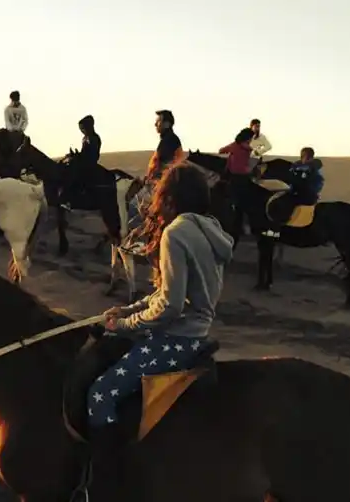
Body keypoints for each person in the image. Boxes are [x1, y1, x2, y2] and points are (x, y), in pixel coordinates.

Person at [85, 164, 234, 494]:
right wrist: (129, 309)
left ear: (169, 197)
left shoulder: (175, 233)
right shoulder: (210, 228)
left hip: (176, 338)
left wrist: (124, 324)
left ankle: (108, 485)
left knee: (100, 394)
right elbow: (168, 291)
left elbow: (170, 306)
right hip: (196, 332)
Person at [122, 110, 185, 254]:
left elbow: (163, 166)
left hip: (163, 185)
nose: (155, 124)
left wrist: (149, 181)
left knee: (136, 208)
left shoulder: (169, 141)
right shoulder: (168, 140)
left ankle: (139, 245)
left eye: (159, 121)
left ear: (167, 124)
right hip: (160, 183)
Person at [218, 127, 256, 237]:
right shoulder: (250, 148)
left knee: (233, 203)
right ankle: (245, 226)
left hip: (233, 178)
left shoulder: (234, 145)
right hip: (244, 178)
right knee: (244, 204)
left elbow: (221, 150)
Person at [59, 115, 102, 211]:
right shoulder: (85, 138)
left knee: (73, 174)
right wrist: (75, 154)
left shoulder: (94, 138)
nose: (82, 131)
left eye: (83, 128)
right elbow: (84, 153)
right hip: (84, 162)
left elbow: (92, 154)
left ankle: (67, 199)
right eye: (81, 129)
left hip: (90, 164)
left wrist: (79, 156)